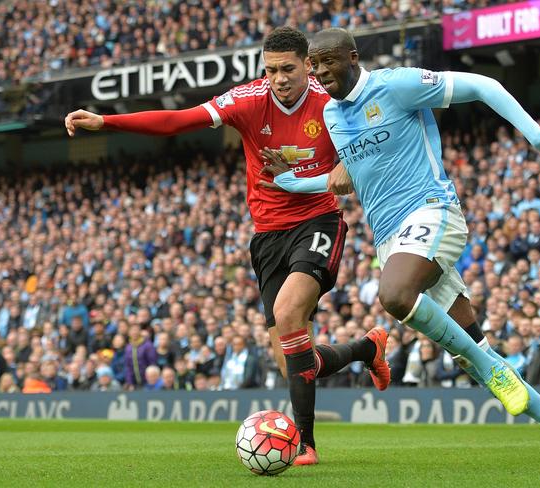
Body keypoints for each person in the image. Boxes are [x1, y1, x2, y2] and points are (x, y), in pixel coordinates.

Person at [64, 26, 390, 465]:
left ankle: (306, 444)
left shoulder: (332, 98)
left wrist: (353, 166)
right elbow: (178, 120)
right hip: (267, 234)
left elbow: (375, 137)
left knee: (288, 313)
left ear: (307, 65)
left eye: (288, 68)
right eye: (271, 69)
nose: (279, 78)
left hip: (318, 219)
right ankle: (366, 349)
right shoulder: (249, 99)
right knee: (296, 361)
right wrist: (107, 121)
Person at [265, 27, 540, 469]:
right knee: (475, 351)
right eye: (315, 64)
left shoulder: (395, 85)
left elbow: (482, 85)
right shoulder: (335, 118)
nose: (321, 72)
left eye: (328, 62)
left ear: (353, 57)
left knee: (395, 296)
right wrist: (289, 181)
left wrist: (536, 136)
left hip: (432, 212)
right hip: (392, 240)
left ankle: (493, 370)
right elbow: (347, 179)